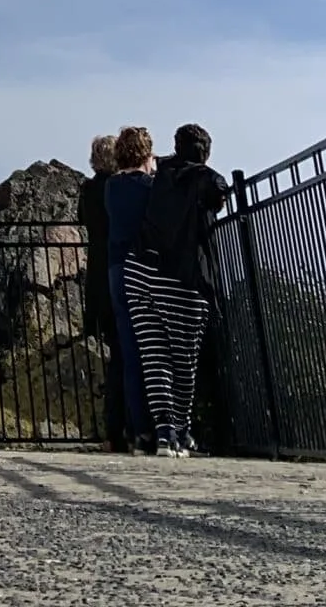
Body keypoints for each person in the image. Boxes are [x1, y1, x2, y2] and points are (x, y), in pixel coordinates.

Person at [121, 123, 230, 455]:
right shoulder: (206, 178)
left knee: (154, 358)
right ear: (206, 153)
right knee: (183, 360)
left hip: (139, 269)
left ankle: (165, 430)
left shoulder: (161, 172)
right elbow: (218, 193)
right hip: (180, 278)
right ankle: (180, 430)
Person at [104, 125, 158, 450]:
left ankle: (139, 430)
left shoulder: (111, 187)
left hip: (116, 268)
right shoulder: (149, 186)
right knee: (155, 351)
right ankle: (161, 426)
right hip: (144, 268)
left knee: (130, 352)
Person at [76, 136, 123, 449]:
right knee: (125, 354)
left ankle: (112, 427)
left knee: (113, 353)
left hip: (96, 272)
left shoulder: (88, 190)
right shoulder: (116, 189)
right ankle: (125, 427)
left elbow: (82, 220)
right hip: (119, 266)